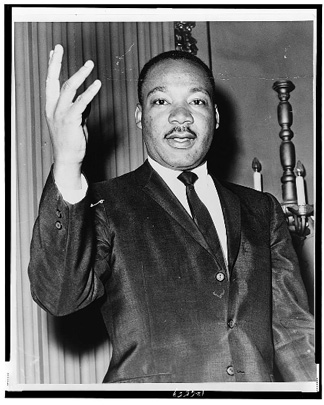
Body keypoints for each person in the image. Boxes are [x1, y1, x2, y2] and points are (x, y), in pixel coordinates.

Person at [28, 44, 316, 383]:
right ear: (140, 116)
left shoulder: (262, 209)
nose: (182, 117)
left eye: (196, 101)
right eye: (161, 101)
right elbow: (60, 296)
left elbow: (294, 332)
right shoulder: (104, 203)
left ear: (216, 116)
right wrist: (67, 161)